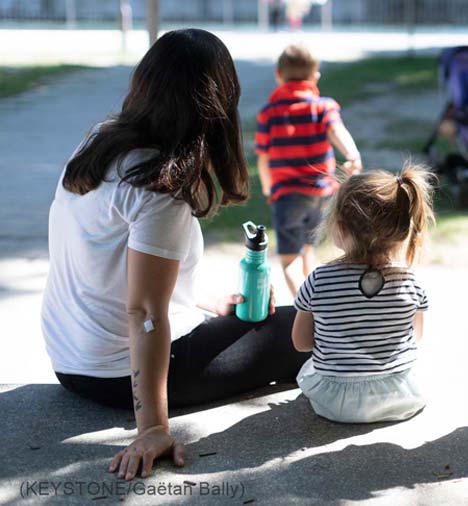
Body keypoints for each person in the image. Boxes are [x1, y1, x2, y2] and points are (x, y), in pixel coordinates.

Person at [40, 29, 310, 480]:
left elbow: (109, 269)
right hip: (116, 374)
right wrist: (152, 428)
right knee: (305, 325)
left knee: (258, 318)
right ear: (218, 103)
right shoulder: (159, 188)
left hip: (69, 360)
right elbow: (144, 310)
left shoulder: (99, 143)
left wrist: (207, 303)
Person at [290, 165, 434, 423]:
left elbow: (301, 342)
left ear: (340, 227)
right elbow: (416, 337)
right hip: (400, 397)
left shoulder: (319, 279)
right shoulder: (411, 281)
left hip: (335, 403)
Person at [255, 44, 361, 298]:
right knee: (307, 249)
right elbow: (337, 131)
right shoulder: (323, 107)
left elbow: (263, 157)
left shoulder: (268, 114)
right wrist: (352, 154)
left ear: (278, 74)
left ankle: (305, 307)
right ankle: (316, 299)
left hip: (287, 194)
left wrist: (269, 186)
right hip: (321, 194)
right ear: (315, 77)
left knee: (289, 260)